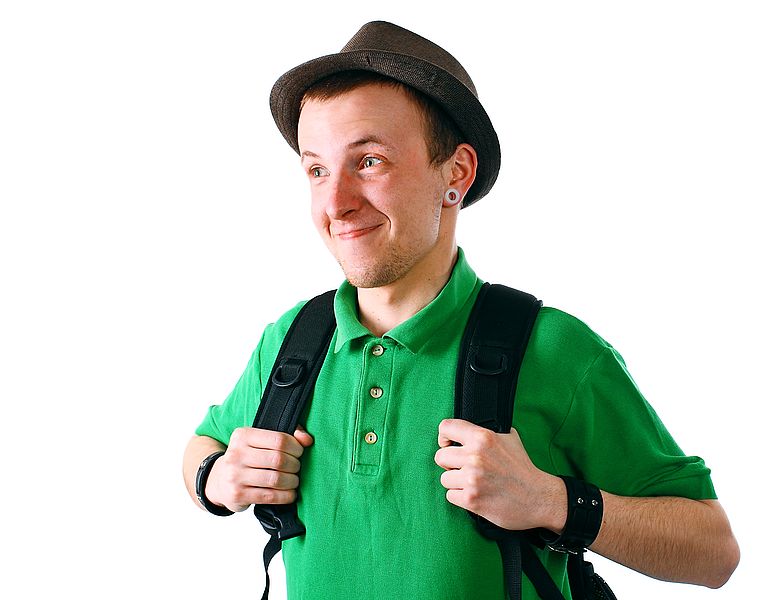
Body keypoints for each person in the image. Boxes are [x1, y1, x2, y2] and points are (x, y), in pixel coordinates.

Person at [182, 20, 739, 599]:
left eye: (369, 161)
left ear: (456, 173)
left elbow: (713, 552)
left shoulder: (552, 350)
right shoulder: (293, 342)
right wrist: (217, 478)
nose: (336, 204)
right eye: (317, 169)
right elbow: (203, 444)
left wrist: (550, 501)